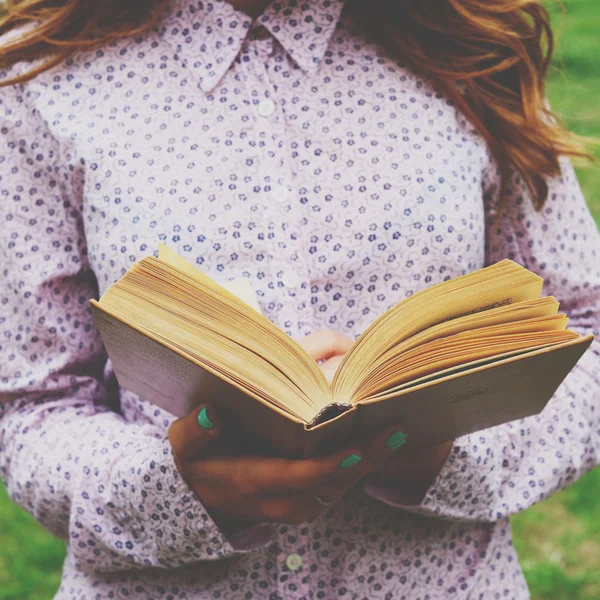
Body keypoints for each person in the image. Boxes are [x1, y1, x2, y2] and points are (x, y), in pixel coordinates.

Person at [0, 0, 598, 598]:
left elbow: (586, 332)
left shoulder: (473, 51)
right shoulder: (41, 76)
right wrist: (172, 492)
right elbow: (31, 405)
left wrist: (449, 455)